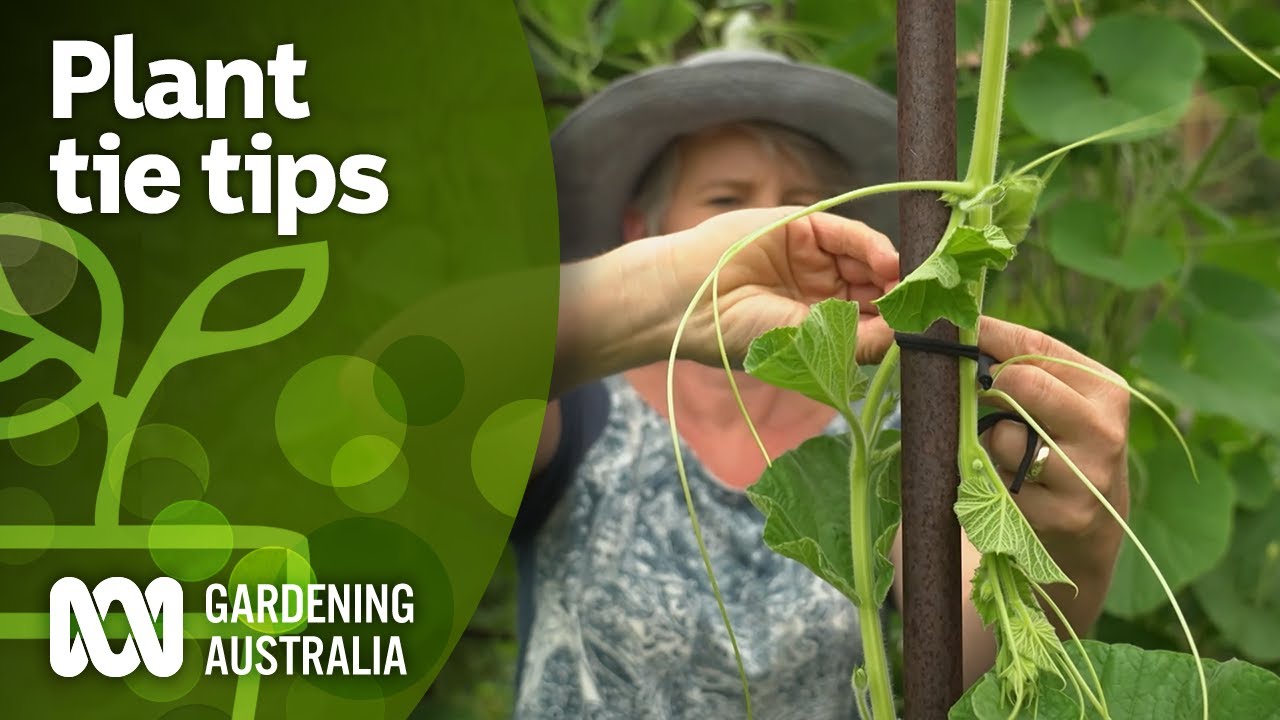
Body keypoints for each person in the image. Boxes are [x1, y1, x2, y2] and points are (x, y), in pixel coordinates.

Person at [509, 48, 1130, 719]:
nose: (771, 225)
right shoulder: (573, 408)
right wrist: (659, 291)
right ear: (641, 229)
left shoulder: (881, 432)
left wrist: (1074, 548)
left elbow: (973, 673)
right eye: (726, 201)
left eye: (803, 203)